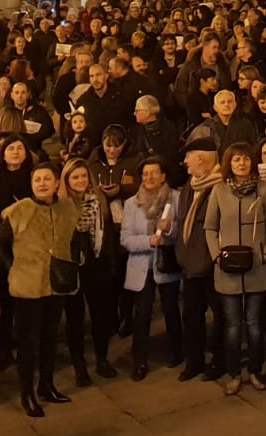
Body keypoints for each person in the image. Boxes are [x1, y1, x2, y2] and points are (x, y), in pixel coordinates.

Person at [0, 164, 78, 417]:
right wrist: (12, 266)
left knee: (50, 337)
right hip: (28, 285)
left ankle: (47, 385)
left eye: (47, 179)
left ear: (56, 183)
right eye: (37, 179)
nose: (42, 183)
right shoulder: (19, 210)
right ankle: (27, 394)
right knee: (28, 342)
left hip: (57, 282)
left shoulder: (66, 208)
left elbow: (72, 239)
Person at [203, 141, 266, 395]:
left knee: (255, 323)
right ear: (229, 164)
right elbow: (210, 227)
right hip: (227, 268)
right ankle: (234, 373)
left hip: (256, 266)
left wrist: (265, 253)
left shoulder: (265, 190)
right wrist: (216, 257)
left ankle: (255, 371)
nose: (242, 163)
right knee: (233, 325)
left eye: (246, 159)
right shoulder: (219, 190)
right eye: (236, 159)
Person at [58, 158, 118, 385]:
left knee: (101, 317)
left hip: (97, 264)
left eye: (84, 176)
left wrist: (110, 263)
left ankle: (102, 359)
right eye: (75, 177)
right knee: (75, 319)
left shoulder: (98, 199)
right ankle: (79, 365)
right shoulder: (61, 204)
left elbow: (108, 232)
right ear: (67, 180)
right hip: (73, 267)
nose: (81, 180)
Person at [120, 155, 181, 380]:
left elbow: (183, 232)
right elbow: (125, 238)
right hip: (141, 265)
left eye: (154, 173)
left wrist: (170, 229)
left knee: (172, 310)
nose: (149, 177)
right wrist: (147, 241)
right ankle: (140, 361)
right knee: (142, 315)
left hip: (167, 263)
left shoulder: (175, 198)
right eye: (145, 174)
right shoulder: (131, 203)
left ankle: (177, 353)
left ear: (163, 176)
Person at [174, 138, 224, 383]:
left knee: (221, 317)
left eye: (189, 157)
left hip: (211, 265)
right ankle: (194, 362)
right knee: (191, 317)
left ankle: (219, 361)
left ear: (202, 160)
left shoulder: (220, 187)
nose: (185, 162)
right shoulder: (188, 187)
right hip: (190, 266)